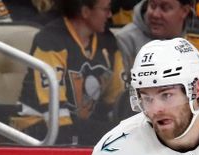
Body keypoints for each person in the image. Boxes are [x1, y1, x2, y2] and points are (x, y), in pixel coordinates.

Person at [14, 0, 124, 146]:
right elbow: (53, 109)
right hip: (37, 127)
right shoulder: (51, 39)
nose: (110, 14)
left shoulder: (108, 42)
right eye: (105, 9)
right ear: (85, 11)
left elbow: (116, 99)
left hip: (79, 126)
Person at [115, 0, 193, 73]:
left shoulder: (198, 39)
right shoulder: (125, 40)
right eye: (152, 6)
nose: (155, 14)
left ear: (185, 11)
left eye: (165, 8)